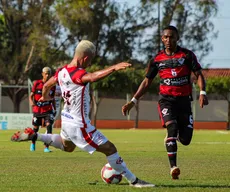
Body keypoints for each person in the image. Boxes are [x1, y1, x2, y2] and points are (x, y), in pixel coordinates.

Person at [11, 40, 155, 188]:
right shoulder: (77, 73)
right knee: (110, 149)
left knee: (68, 147)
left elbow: (47, 85)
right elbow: (93, 77)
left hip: (67, 121)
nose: (90, 63)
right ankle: (134, 181)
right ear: (86, 58)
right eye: (90, 60)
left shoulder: (62, 71)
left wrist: (45, 96)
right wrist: (114, 67)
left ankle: (35, 136)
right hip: (79, 125)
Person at [122, 26, 209, 180]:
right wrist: (133, 101)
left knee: (185, 140)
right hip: (166, 100)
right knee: (172, 128)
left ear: (177, 38)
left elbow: (199, 74)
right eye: (166, 37)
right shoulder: (157, 59)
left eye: (172, 37)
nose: (169, 40)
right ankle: (173, 167)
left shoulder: (187, 55)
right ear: (162, 39)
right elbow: (147, 81)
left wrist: (202, 92)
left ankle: (171, 140)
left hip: (184, 102)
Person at [29, 66, 56, 152]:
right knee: (36, 128)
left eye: (49, 74)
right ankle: (33, 144)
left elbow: (53, 98)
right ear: (42, 74)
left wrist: (54, 108)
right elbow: (31, 95)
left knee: (49, 126)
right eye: (46, 73)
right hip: (38, 110)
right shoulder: (37, 83)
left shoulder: (52, 85)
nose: (47, 75)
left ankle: (46, 147)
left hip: (48, 110)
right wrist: (31, 102)